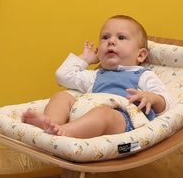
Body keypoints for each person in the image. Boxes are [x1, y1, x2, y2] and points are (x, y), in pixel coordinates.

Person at [21, 15, 172, 138]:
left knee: (102, 113)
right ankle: (51, 123)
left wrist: (151, 98)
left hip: (122, 121)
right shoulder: (95, 76)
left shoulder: (143, 75)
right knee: (62, 96)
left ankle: (66, 131)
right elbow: (62, 76)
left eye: (121, 37)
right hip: (87, 115)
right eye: (105, 37)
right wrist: (85, 60)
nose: (111, 41)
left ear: (140, 55)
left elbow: (165, 104)